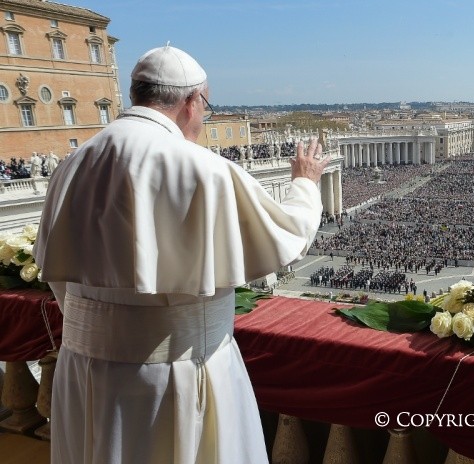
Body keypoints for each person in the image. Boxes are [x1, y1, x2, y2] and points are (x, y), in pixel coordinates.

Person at [34, 45, 329, 464]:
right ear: (192, 102)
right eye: (206, 107)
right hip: (179, 373)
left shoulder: (73, 163)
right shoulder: (202, 168)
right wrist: (304, 183)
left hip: (84, 370)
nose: (204, 119)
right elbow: (287, 235)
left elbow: (60, 278)